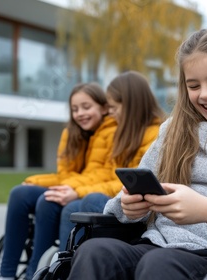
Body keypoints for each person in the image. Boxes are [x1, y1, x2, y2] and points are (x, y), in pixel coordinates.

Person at [66, 27, 207, 280]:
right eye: (193, 85)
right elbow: (136, 191)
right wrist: (127, 207)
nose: (205, 94)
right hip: (156, 244)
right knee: (94, 252)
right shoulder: (173, 129)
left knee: (159, 265)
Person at [0, 82, 117, 280]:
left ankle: (35, 274)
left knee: (47, 200)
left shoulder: (113, 132)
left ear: (103, 107)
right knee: (20, 193)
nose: (80, 113)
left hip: (90, 191)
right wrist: (36, 180)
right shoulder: (71, 133)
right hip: (72, 186)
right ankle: (5, 274)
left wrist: (72, 189)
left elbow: (105, 175)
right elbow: (64, 174)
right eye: (75, 109)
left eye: (86, 107)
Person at [48, 70, 166, 251]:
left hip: (140, 210)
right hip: (123, 200)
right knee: (70, 207)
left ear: (129, 105)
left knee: (86, 202)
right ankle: (64, 266)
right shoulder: (125, 135)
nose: (110, 114)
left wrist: (78, 190)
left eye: (113, 108)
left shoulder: (155, 134)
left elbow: (130, 183)